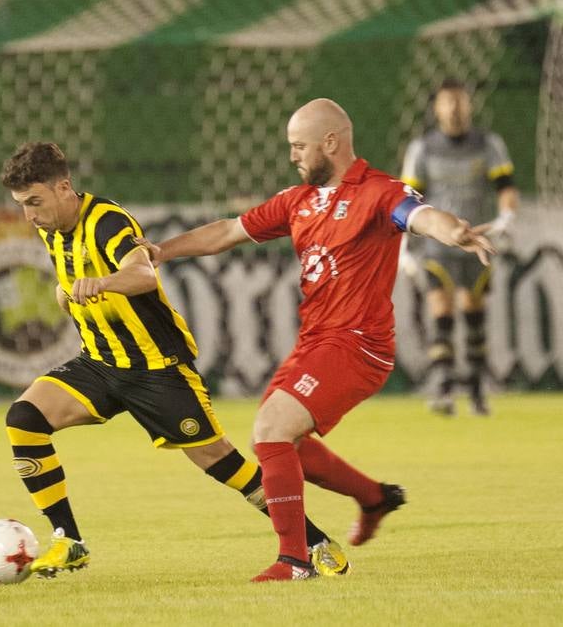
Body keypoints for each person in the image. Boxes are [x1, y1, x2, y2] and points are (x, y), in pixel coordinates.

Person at [137, 99, 494, 581]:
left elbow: (420, 215)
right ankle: (373, 497)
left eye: (299, 146)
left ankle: (295, 559)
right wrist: (161, 251)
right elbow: (227, 231)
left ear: (331, 142)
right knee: (285, 445)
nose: (293, 156)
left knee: (271, 431)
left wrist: (454, 231)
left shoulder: (378, 191)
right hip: (315, 342)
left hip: (358, 345)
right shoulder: (297, 200)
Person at [0, 142, 349, 580]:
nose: (28, 214)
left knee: (223, 464)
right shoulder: (50, 228)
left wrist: (102, 282)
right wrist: (65, 291)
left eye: (34, 201)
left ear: (63, 187)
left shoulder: (107, 221)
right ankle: (68, 540)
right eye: (21, 205)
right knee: (24, 419)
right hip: (101, 362)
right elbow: (73, 276)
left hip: (157, 367)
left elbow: (144, 273)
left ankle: (314, 541)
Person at [400, 79, 519, 416]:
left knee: (473, 311)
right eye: (447, 102)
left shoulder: (488, 144)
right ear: (436, 108)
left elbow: (505, 186)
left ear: (469, 106)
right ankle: (443, 387)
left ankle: (478, 389)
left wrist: (507, 217)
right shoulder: (422, 149)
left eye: (460, 102)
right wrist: (404, 248)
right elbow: (407, 199)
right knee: (441, 310)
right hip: (437, 244)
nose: (454, 109)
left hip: (477, 240)